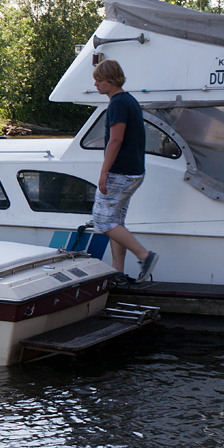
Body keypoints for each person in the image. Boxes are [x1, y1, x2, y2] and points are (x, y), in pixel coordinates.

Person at [91, 59, 158, 283]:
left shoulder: (118, 103)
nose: (96, 84)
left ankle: (144, 256)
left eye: (99, 80)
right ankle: (117, 273)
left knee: (102, 220)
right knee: (115, 221)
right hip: (134, 171)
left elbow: (116, 140)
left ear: (111, 79)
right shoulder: (129, 100)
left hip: (120, 172)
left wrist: (104, 172)